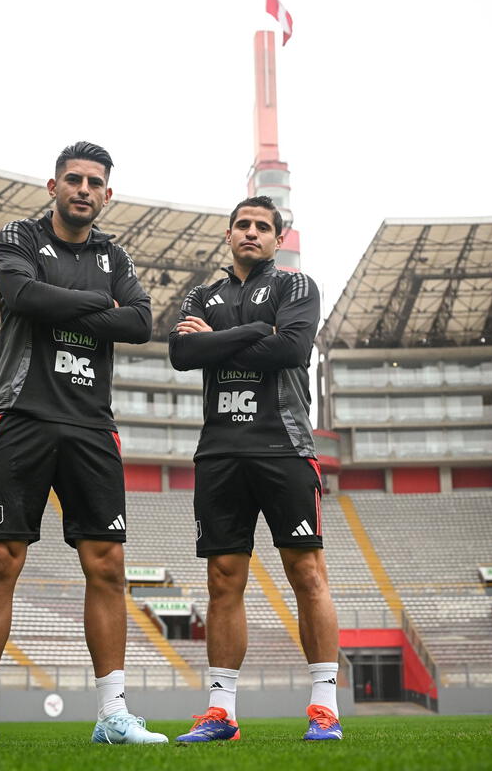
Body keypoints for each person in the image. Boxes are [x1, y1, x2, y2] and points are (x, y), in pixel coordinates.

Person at [0, 141, 167, 746]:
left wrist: (67, 307)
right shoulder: (19, 236)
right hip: (21, 415)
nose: (84, 189)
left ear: (107, 194)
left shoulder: (114, 255)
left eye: (95, 182)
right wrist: (99, 305)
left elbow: (141, 323)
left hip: (92, 425)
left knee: (108, 566)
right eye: (74, 179)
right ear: (53, 186)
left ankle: (114, 715)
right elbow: (23, 297)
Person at [169, 195, 342, 743]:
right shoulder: (203, 293)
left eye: (262, 226)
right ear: (228, 235)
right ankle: (221, 714)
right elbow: (180, 355)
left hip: (284, 446)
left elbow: (291, 350)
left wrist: (214, 345)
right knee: (223, 580)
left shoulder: (296, 286)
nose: (251, 233)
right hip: (219, 450)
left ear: (277, 237)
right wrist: (251, 333)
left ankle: (324, 708)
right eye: (242, 225)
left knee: (307, 574)